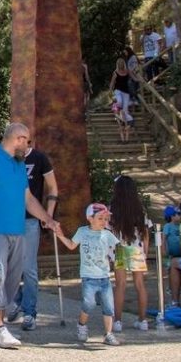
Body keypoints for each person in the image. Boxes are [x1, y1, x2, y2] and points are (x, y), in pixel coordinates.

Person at [0, 123, 61, 349]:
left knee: (11, 282)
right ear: (16, 138)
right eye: (26, 140)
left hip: (18, 231)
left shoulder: (19, 166)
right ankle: (0, 329)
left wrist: (47, 219)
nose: (28, 145)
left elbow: (28, 198)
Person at [7, 142, 60, 331]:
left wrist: (48, 214)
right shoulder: (8, 158)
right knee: (8, 266)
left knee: (28, 268)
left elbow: (53, 187)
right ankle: (17, 301)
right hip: (8, 219)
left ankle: (29, 312)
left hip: (30, 220)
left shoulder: (39, 159)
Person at [54, 203, 121, 346]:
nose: (104, 222)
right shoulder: (82, 232)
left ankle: (108, 333)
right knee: (88, 303)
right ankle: (82, 324)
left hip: (104, 277)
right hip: (89, 277)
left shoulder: (107, 234)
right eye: (100, 218)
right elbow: (72, 245)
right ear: (90, 218)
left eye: (106, 219)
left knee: (109, 306)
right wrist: (60, 236)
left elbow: (118, 248)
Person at [108, 175, 150, 331]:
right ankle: (143, 320)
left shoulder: (112, 208)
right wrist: (145, 250)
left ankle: (117, 321)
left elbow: (108, 231)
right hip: (136, 248)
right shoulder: (140, 208)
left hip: (118, 249)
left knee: (120, 285)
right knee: (140, 285)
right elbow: (145, 232)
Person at [109, 58, 135, 143]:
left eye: (121, 63)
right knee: (119, 102)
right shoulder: (115, 72)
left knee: (125, 113)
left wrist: (139, 80)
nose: (120, 65)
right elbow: (112, 83)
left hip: (126, 92)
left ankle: (125, 139)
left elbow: (134, 77)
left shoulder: (127, 71)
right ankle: (124, 138)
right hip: (118, 91)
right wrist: (110, 92)